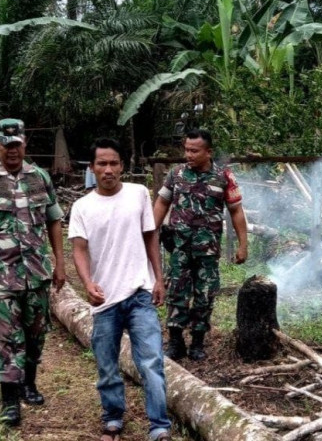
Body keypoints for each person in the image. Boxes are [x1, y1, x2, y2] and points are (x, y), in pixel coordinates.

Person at [0, 118, 66, 427]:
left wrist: (60, 263)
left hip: (36, 272)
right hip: (0, 275)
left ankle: (28, 384)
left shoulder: (41, 178)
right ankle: (9, 401)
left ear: (24, 144)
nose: (12, 151)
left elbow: (54, 221)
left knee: (35, 334)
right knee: (6, 338)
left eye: (17, 145)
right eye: (6, 146)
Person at [68, 138, 172, 441]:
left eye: (114, 163)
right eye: (102, 163)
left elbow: (150, 237)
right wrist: (87, 283)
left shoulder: (138, 194)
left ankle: (159, 426)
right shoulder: (82, 207)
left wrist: (158, 278)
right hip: (105, 300)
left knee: (151, 361)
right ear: (92, 168)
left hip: (139, 293)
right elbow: (78, 249)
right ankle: (112, 417)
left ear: (122, 166)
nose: (108, 169)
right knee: (107, 364)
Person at [152, 128, 248, 361]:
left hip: (208, 251)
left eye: (194, 151)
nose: (189, 155)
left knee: (205, 295)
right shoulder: (176, 175)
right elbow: (161, 203)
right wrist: (150, 232)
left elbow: (236, 211)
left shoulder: (224, 177)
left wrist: (243, 244)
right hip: (179, 249)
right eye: (186, 150)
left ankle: (197, 342)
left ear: (208, 152)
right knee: (176, 293)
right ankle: (175, 341)